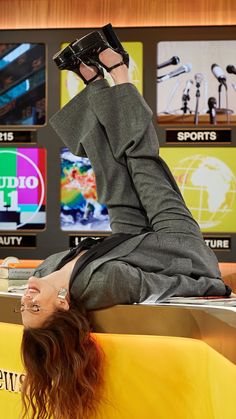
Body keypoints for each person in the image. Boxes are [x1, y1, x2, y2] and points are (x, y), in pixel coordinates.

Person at [20, 24, 231, 419]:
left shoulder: (49, 270)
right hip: (175, 245)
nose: (27, 299)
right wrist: (211, 281)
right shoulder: (103, 287)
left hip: (128, 235)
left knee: (106, 164)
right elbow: (166, 284)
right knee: (140, 156)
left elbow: (24, 282)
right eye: (36, 307)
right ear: (63, 304)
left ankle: (95, 83)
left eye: (23, 308)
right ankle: (120, 72)